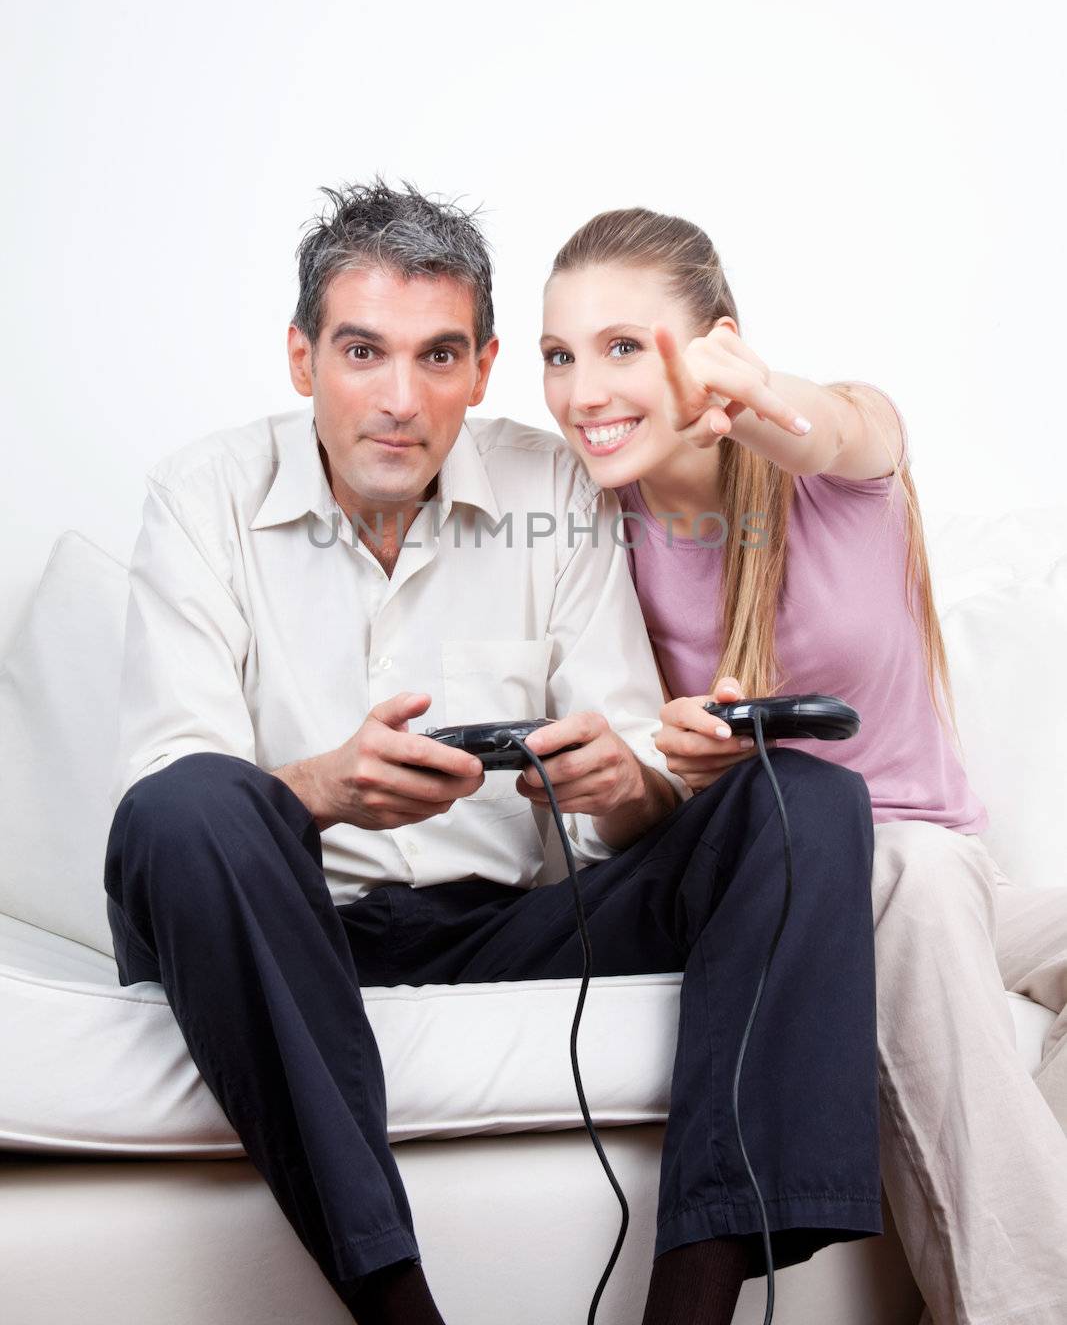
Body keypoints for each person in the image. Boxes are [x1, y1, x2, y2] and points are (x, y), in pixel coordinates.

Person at [103, 179, 883, 1325]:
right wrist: (324, 790)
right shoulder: (201, 495)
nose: (399, 400)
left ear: (482, 366)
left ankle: (693, 1310)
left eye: (438, 357)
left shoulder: (547, 483)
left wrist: (618, 784)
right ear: (299, 356)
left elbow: (627, 755)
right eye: (362, 351)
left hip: (514, 920)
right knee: (187, 808)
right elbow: (175, 795)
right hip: (288, 933)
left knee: (802, 800)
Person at [538, 204, 1067, 1325]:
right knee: (908, 881)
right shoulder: (587, 532)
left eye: (624, 346)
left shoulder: (838, 466)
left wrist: (765, 402)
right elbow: (633, 791)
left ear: (718, 342)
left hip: (942, 869)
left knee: (926, 877)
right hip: (802, 888)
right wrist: (680, 770)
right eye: (559, 355)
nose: (583, 391)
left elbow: (841, 429)